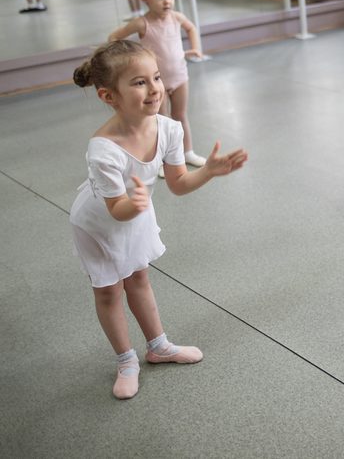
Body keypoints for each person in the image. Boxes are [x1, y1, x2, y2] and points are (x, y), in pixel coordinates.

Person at [70, 40, 247, 399]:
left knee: (138, 278)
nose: (154, 89)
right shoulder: (103, 148)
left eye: (156, 77)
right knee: (108, 292)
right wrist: (133, 207)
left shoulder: (168, 128)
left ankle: (158, 345)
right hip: (101, 222)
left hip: (135, 209)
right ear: (109, 96)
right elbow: (115, 208)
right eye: (138, 82)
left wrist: (210, 172)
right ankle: (126, 361)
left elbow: (179, 184)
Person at [108, 0, 206, 171]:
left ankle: (187, 152)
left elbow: (192, 28)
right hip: (155, 83)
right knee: (161, 122)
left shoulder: (176, 18)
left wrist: (196, 47)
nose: (167, 1)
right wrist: (127, 59)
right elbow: (114, 36)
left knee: (180, 116)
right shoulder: (141, 23)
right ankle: (162, 160)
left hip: (180, 77)